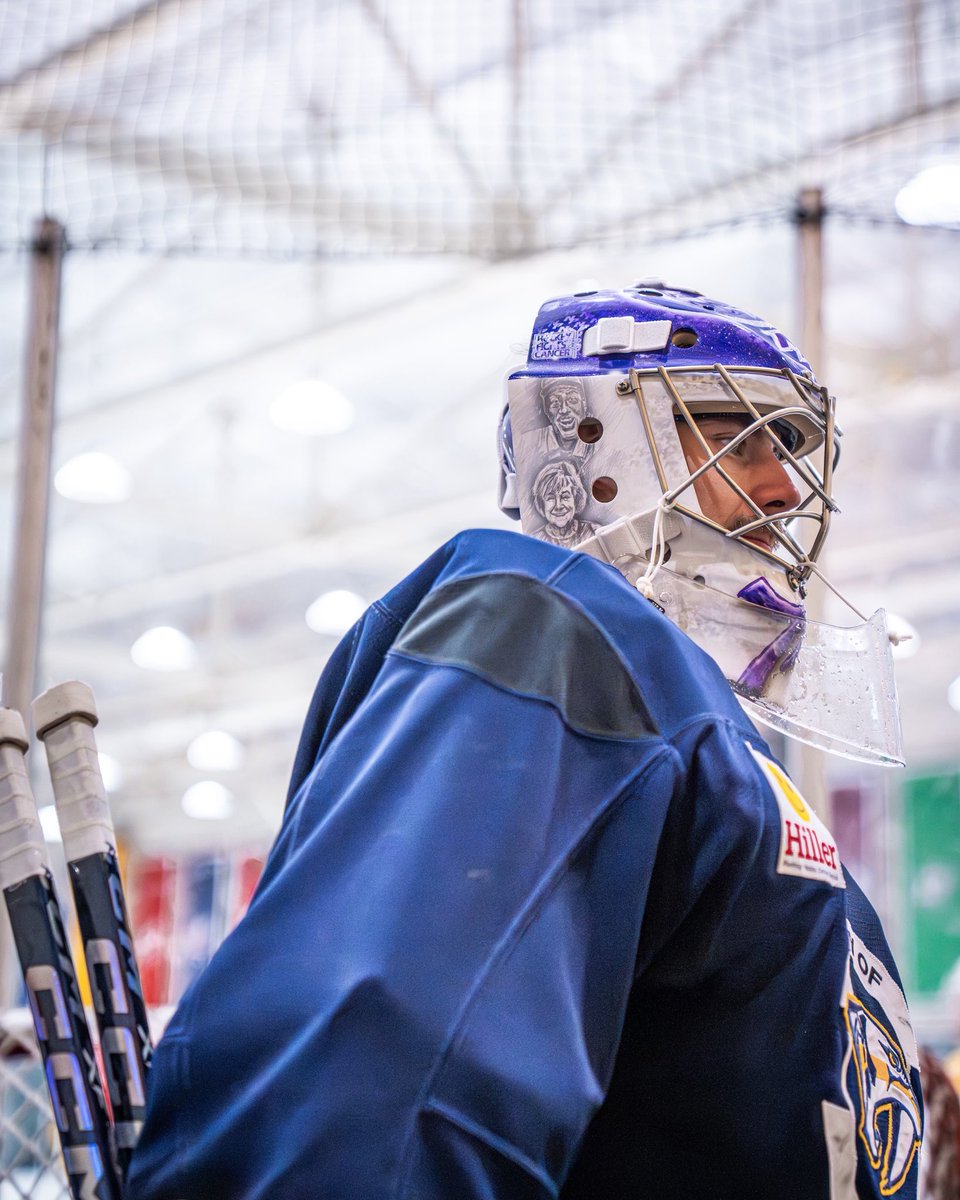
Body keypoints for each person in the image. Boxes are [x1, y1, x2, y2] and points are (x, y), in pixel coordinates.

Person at [127, 284, 921, 1199]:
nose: (783, 487)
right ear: (587, 441)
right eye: (734, 435)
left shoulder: (710, 738)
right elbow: (381, 1085)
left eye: (789, 446)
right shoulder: (554, 630)